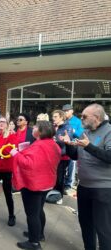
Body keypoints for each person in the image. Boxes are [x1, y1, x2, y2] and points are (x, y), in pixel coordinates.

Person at [60, 103, 111, 250]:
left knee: (103, 228)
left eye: (84, 116)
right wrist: (69, 145)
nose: (81, 119)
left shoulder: (108, 131)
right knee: (86, 224)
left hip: (103, 190)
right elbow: (76, 155)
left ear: (96, 117)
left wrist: (88, 146)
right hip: (84, 187)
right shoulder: (86, 132)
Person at [10, 121, 61, 250]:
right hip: (47, 183)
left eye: (36, 127)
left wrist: (15, 154)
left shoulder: (39, 146)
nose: (33, 129)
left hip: (35, 185)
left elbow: (29, 164)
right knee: (39, 211)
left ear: (41, 131)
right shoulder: (53, 144)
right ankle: (39, 235)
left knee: (32, 214)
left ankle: (34, 243)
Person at [51, 110, 73, 205]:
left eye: (55, 116)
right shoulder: (54, 127)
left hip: (63, 157)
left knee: (60, 178)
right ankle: (52, 194)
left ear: (61, 117)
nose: (53, 118)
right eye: (53, 116)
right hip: (52, 156)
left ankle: (59, 196)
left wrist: (57, 141)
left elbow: (67, 142)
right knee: (53, 176)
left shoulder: (67, 128)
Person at [62, 104, 84, 194]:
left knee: (71, 165)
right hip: (63, 145)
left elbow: (81, 135)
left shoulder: (77, 121)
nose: (65, 112)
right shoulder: (63, 120)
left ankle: (68, 184)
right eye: (64, 111)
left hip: (73, 147)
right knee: (62, 165)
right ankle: (62, 182)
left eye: (67, 111)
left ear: (72, 111)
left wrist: (73, 131)